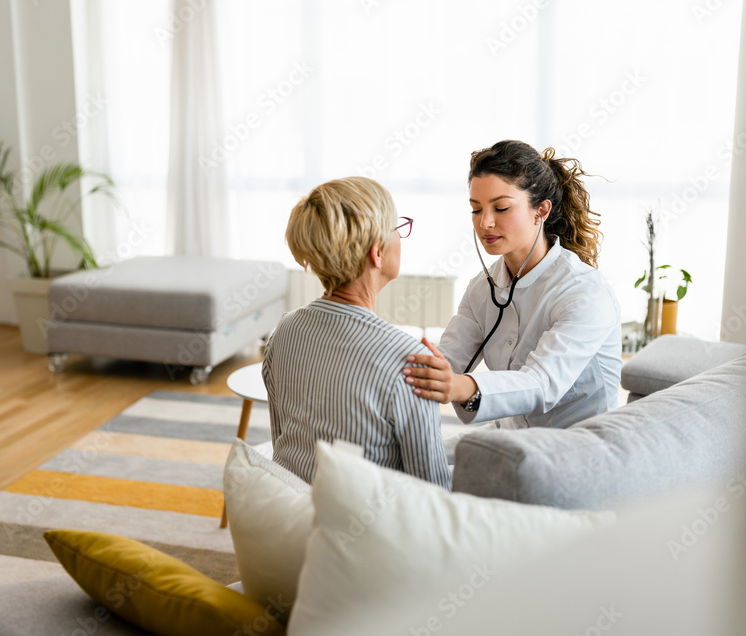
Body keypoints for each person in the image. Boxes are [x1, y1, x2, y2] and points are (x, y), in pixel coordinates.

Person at [402, 140, 622, 438]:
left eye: (501, 207)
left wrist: (457, 385)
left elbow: (541, 384)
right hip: (513, 441)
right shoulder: (483, 288)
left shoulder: (584, 292)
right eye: (476, 209)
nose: (485, 223)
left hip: (578, 450)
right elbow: (449, 359)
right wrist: (416, 369)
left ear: (541, 211)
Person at [263, 176, 451, 490]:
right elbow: (432, 491)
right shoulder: (410, 361)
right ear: (377, 252)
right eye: (397, 228)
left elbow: (281, 437)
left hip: (287, 514)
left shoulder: (284, 329)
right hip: (363, 530)